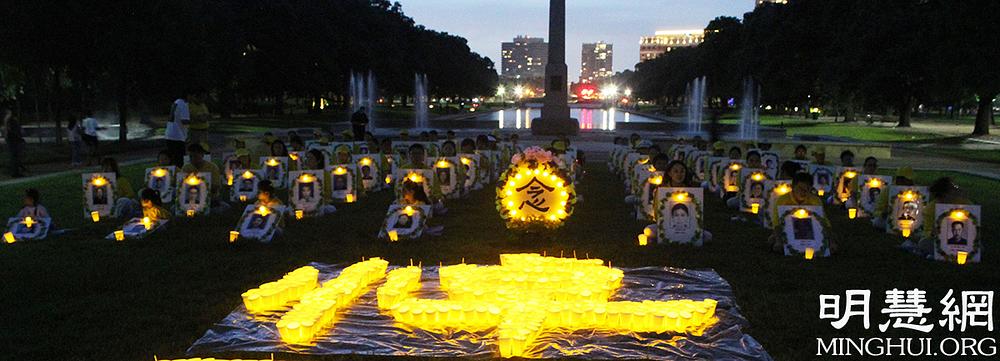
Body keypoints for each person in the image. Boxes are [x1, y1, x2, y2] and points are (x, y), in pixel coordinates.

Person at [908, 177, 971, 256]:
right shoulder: (930, 209)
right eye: (952, 189)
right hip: (939, 240)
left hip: (961, 244)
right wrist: (932, 233)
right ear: (943, 194)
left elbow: (973, 222)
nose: (955, 191)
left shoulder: (964, 203)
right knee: (924, 243)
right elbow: (927, 231)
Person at [771, 172, 826, 252]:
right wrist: (778, 241)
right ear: (793, 187)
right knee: (773, 241)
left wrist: (830, 242)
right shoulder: (782, 200)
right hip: (787, 231)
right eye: (800, 188)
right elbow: (777, 222)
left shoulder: (815, 201)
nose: (803, 192)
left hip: (809, 234)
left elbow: (824, 222)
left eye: (807, 189)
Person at [164, 94, 190, 168]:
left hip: (171, 134)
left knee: (172, 159)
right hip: (178, 136)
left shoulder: (177, 102)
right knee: (179, 161)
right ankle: (178, 176)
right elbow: (185, 120)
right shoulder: (183, 104)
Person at [3, 107, 26, 177]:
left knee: (14, 156)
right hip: (13, 139)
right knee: (14, 156)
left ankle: (16, 171)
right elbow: (11, 130)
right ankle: (15, 172)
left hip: (12, 139)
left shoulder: (8, 119)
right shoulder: (10, 119)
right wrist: (19, 137)